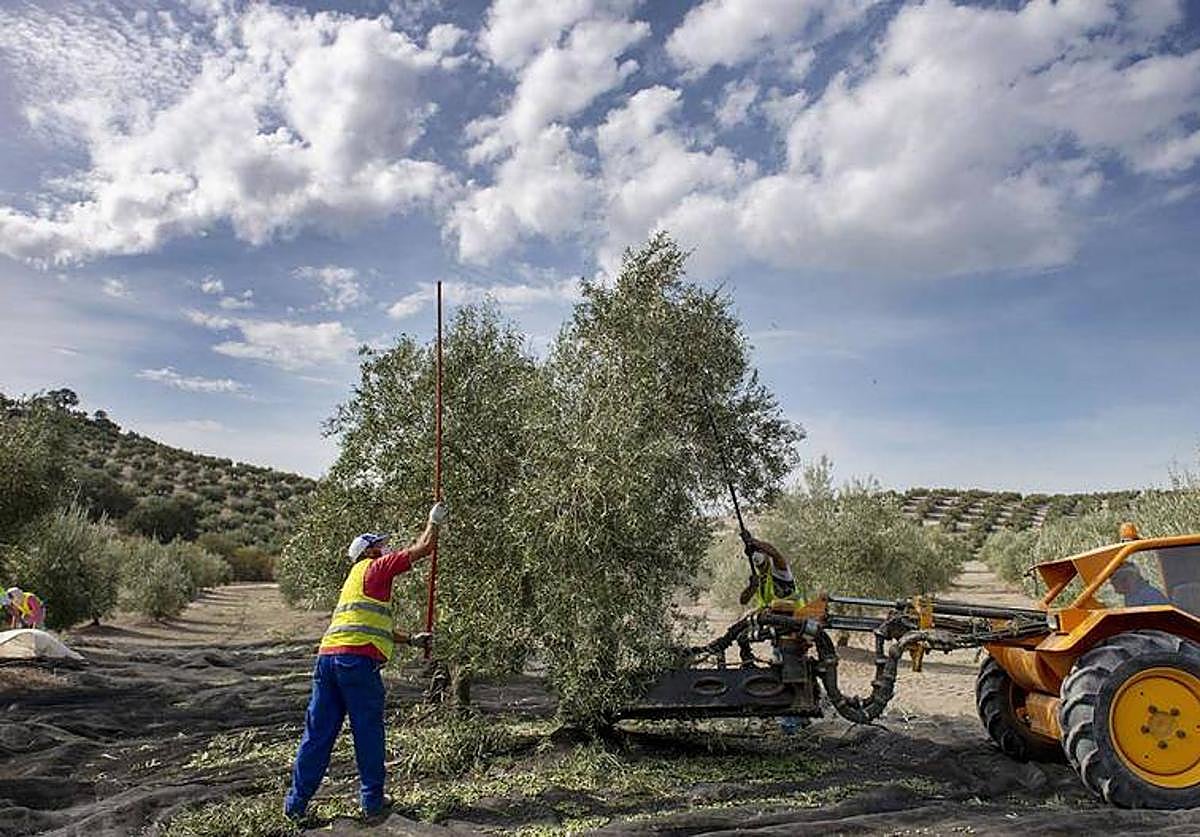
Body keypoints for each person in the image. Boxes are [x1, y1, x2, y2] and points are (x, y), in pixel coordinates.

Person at [284, 501, 447, 824]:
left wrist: (411, 640)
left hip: (327, 661)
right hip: (356, 666)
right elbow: (424, 547)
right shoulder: (377, 567)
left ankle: (295, 806)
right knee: (368, 732)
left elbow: (372, 625)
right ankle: (373, 804)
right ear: (369, 551)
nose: (385, 548)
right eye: (380, 545)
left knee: (317, 735)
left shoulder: (354, 580)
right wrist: (434, 521)